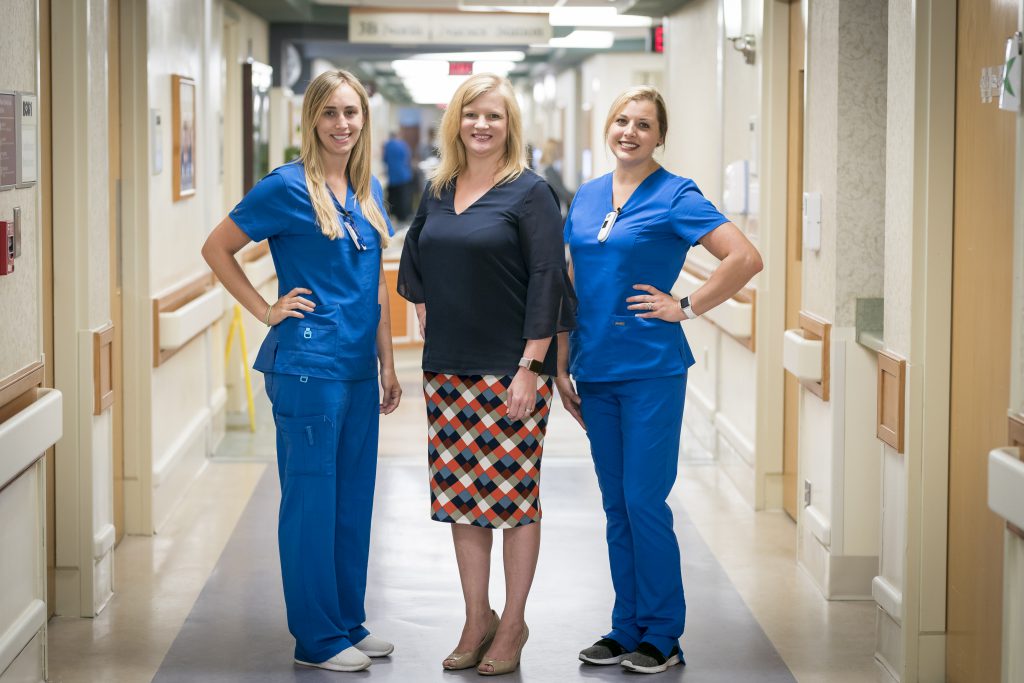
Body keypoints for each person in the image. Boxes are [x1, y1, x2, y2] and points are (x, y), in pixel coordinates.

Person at [201, 69, 402, 673]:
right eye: (331, 113)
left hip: (359, 369)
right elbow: (217, 247)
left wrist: (389, 364)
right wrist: (266, 309)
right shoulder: (287, 188)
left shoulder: (366, 190)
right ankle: (315, 639)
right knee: (311, 501)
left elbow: (374, 291)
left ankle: (346, 621)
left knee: (352, 499)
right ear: (311, 119)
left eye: (353, 113)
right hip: (309, 366)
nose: (344, 124)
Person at [557, 86, 762, 675]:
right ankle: (626, 628)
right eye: (622, 120)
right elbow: (572, 279)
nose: (630, 132)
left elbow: (744, 258)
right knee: (616, 505)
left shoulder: (677, 195)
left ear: (659, 137)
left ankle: (663, 634)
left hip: (650, 370)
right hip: (594, 369)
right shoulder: (588, 196)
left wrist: (687, 306)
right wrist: (563, 360)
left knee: (645, 501)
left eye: (643, 124)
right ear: (608, 127)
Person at [396, 73, 574, 676]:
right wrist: (423, 299)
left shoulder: (530, 192)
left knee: (515, 498)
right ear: (456, 122)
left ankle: (514, 622)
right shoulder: (439, 188)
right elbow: (416, 251)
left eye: (494, 116)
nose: (482, 125)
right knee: (461, 499)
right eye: (471, 115)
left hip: (511, 369)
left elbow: (549, 279)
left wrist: (532, 366)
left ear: (509, 125)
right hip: (447, 368)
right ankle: (478, 617)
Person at [383, 130, 414, 222]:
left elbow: (384, 159)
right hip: (404, 175)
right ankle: (404, 217)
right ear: (398, 136)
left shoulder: (387, 145)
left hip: (392, 177)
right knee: (404, 197)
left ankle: (394, 216)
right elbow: (408, 157)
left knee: (393, 198)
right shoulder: (403, 145)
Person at [539, 138, 575, 215]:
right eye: (558, 150)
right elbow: (561, 190)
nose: (560, 152)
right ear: (553, 152)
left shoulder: (542, 168)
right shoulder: (548, 170)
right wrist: (579, 193)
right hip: (554, 211)